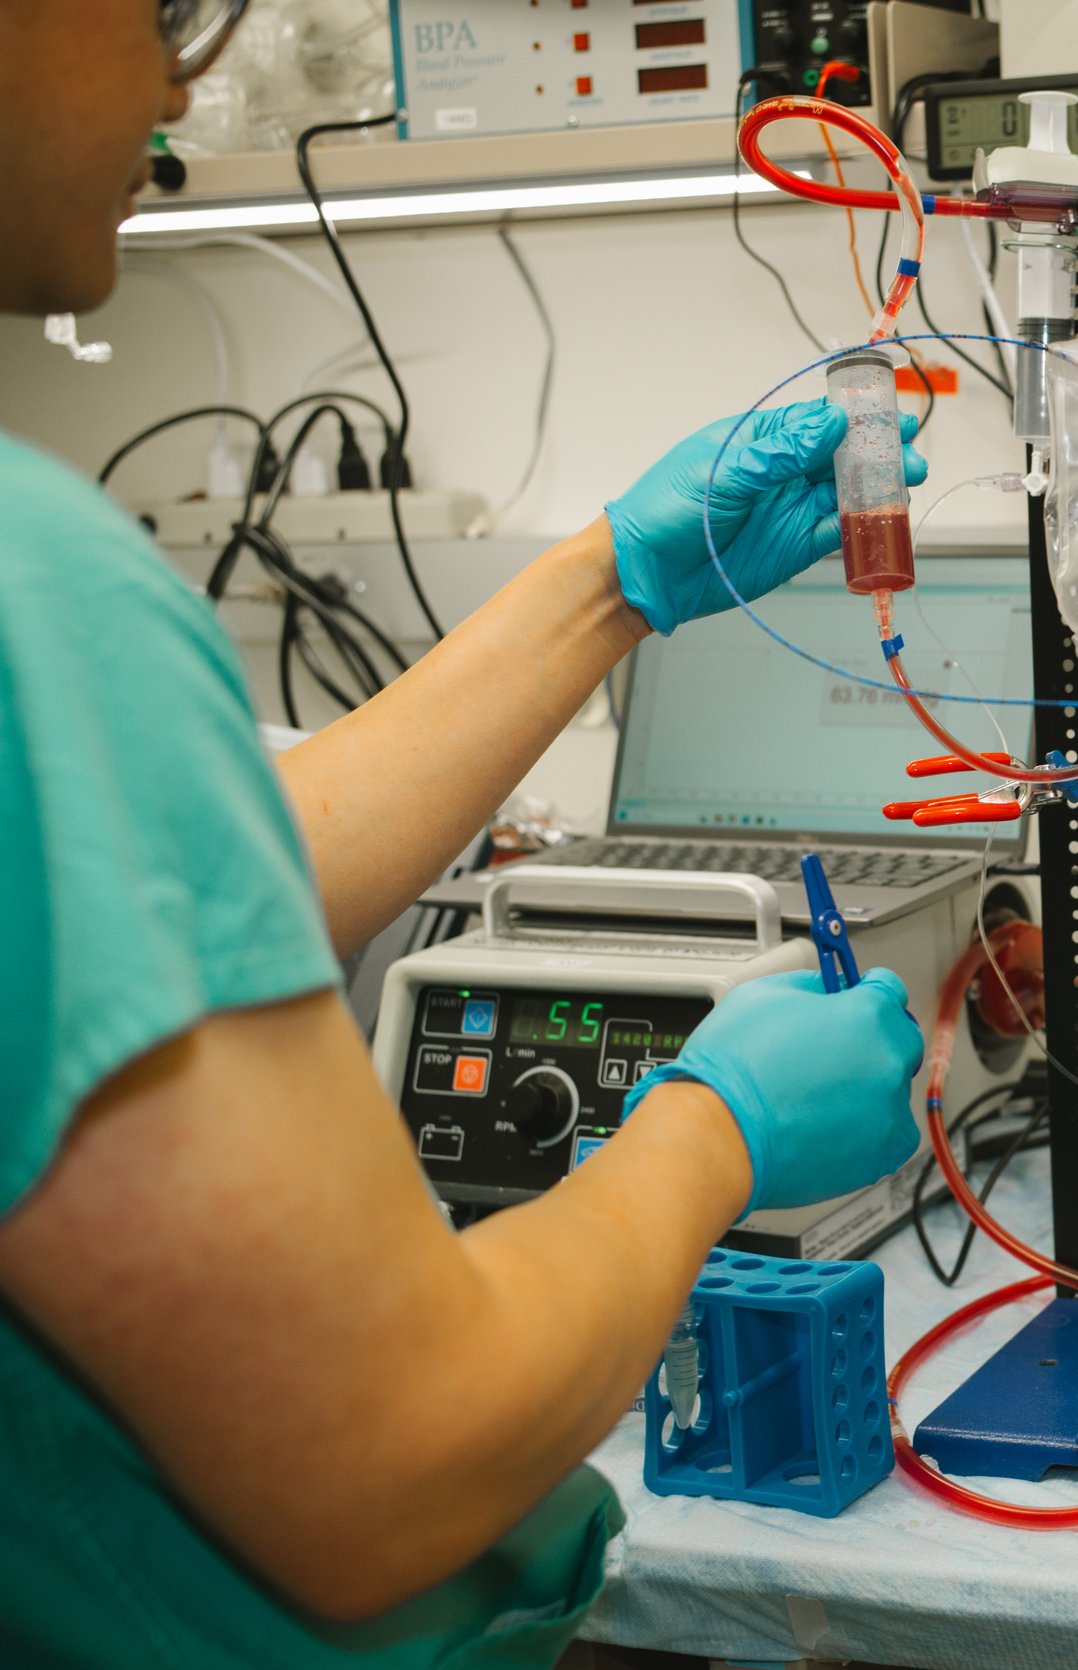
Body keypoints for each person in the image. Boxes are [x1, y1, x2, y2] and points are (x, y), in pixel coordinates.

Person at [0, 4, 932, 1663]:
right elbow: (400, 1455)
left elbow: (138, 899)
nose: (180, 78)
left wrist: (606, 584)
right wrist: (712, 1127)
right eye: (151, 11)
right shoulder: (31, 590)